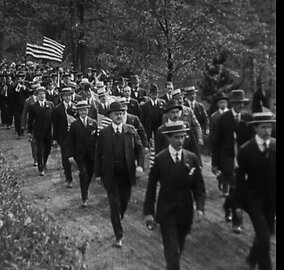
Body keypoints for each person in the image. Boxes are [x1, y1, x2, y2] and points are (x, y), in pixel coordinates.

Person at [143, 121, 206, 270]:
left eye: (183, 137)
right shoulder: (160, 160)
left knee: (178, 248)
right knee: (172, 254)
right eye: (176, 137)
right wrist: (148, 212)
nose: (180, 141)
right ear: (169, 138)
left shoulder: (191, 158)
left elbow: (199, 186)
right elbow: (151, 188)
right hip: (167, 212)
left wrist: (200, 208)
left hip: (185, 212)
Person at [94, 101, 145, 248]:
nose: (119, 116)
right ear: (110, 115)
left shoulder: (130, 130)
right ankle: (119, 235)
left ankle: (120, 214)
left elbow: (140, 149)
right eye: (116, 114)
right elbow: (98, 154)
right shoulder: (104, 133)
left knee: (124, 200)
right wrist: (98, 174)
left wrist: (140, 165)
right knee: (114, 204)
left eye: (121, 114)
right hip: (110, 175)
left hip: (126, 174)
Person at [235, 112, 276, 270]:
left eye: (269, 127)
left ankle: (252, 258)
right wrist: (238, 205)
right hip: (253, 199)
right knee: (264, 235)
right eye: (263, 127)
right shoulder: (246, 150)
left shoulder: (275, 145)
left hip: (272, 199)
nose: (267, 131)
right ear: (255, 128)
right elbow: (239, 181)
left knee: (267, 231)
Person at [212, 89, 254, 233]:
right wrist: (215, 163)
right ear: (232, 104)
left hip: (244, 161)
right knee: (236, 188)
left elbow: (252, 141)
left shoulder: (248, 118)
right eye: (237, 103)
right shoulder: (224, 119)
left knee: (236, 190)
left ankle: (227, 206)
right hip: (227, 160)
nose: (240, 106)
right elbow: (217, 143)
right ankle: (237, 222)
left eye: (242, 103)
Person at [68, 100, 98, 207]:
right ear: (78, 112)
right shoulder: (74, 125)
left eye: (85, 110)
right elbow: (70, 141)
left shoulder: (93, 123)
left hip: (91, 155)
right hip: (80, 156)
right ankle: (84, 197)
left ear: (88, 110)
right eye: (81, 110)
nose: (83, 112)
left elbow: (96, 141)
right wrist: (70, 156)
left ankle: (86, 189)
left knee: (89, 175)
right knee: (84, 175)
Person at [162, 89, 204, 166]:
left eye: (181, 98)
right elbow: (164, 130)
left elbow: (196, 125)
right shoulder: (166, 115)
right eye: (177, 99)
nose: (180, 101)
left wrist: (199, 137)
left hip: (187, 142)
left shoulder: (188, 111)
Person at [51, 87, 78, 187]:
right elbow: (55, 125)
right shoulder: (57, 109)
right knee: (65, 158)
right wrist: (55, 139)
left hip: (75, 136)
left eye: (69, 95)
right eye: (65, 95)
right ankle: (68, 178)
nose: (68, 97)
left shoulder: (75, 107)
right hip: (64, 137)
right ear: (62, 97)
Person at [28, 86, 55, 176]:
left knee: (47, 149)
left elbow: (54, 118)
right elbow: (30, 121)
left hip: (48, 132)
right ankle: (41, 168)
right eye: (40, 94)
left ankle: (44, 161)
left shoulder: (50, 104)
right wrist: (29, 132)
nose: (42, 96)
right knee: (40, 150)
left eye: (43, 94)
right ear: (37, 95)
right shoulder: (33, 107)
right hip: (38, 132)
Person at [208, 92, 230, 196]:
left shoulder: (231, 114)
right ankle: (220, 178)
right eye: (221, 102)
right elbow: (212, 133)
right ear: (218, 104)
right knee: (219, 167)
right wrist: (212, 147)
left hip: (230, 146)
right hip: (219, 146)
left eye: (224, 102)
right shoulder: (214, 117)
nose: (223, 104)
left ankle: (226, 189)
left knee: (228, 167)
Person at [21, 83, 40, 167]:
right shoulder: (28, 101)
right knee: (34, 143)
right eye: (38, 90)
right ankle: (36, 159)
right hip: (32, 125)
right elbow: (24, 114)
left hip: (42, 124)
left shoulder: (43, 100)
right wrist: (23, 125)